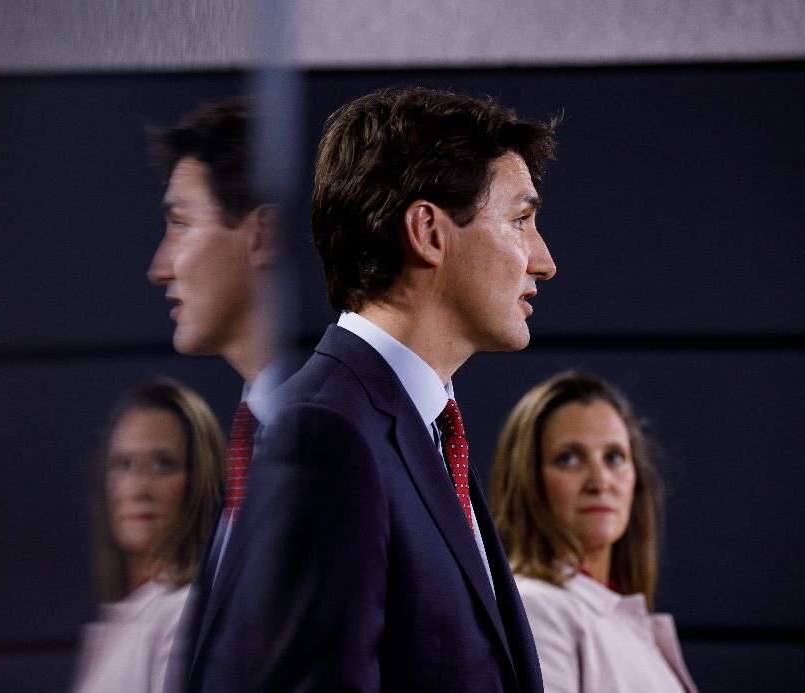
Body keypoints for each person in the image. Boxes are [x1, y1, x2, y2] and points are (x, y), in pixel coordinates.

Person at [208, 86, 558, 691]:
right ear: (427, 231)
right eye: (520, 221)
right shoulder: (327, 437)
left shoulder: (419, 427)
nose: (543, 259)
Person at [144, 98, 283, 692]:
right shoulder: (260, 439)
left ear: (263, 233)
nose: (160, 267)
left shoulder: (333, 439)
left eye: (180, 224)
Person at [489, 371, 697, 693]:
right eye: (569, 459)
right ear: (527, 481)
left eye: (614, 457)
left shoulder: (616, 614)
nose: (600, 482)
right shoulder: (535, 608)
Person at [70, 377, 226, 693]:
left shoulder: (183, 612)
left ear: (199, 479)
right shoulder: (124, 616)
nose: (139, 488)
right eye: (123, 464)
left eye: (163, 464)